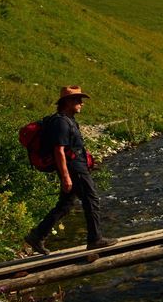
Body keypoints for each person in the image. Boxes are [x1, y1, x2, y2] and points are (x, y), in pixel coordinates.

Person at [24, 86, 118, 255]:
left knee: (65, 204)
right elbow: (58, 151)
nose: (82, 103)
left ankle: (37, 236)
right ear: (67, 102)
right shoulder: (61, 122)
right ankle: (95, 239)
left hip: (76, 167)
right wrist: (66, 177)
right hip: (74, 169)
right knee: (91, 199)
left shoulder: (68, 120)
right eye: (78, 100)